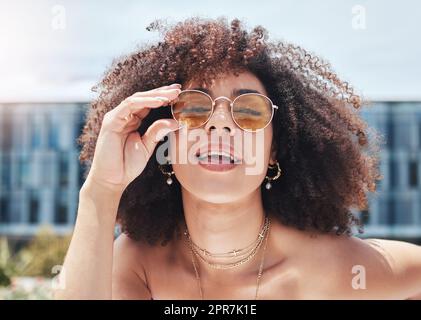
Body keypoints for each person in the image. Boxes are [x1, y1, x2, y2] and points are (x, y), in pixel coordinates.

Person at [54, 16, 421, 300]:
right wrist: (101, 190)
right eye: (195, 106)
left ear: (275, 148)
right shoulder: (136, 264)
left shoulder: (334, 267)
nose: (220, 123)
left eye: (249, 111)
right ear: (163, 139)